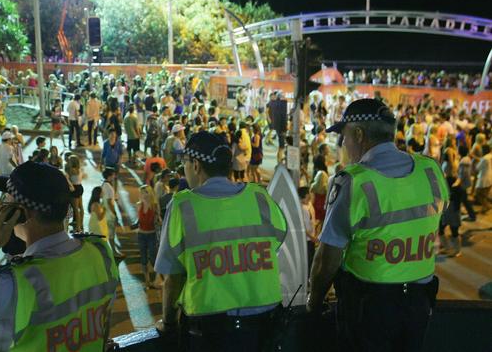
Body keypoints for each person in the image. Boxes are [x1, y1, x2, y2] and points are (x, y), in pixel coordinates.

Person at [0, 161, 119, 351]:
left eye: (6, 198)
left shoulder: (14, 284)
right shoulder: (101, 252)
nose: (1, 204)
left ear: (20, 212)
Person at [307, 99, 448, 352]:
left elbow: (327, 259)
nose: (343, 144)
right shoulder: (431, 170)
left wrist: (314, 304)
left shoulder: (353, 182)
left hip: (368, 311)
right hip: (419, 306)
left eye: (344, 136)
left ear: (359, 134)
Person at [155, 131, 288, 351]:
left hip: (210, 330)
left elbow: (173, 278)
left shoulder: (182, 205)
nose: (184, 169)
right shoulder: (259, 197)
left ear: (196, 165)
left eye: (185, 162)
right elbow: (277, 241)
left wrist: (169, 323)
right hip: (266, 325)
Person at [137, 185, 162, 288]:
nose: (144, 195)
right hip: (141, 234)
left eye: (146, 192)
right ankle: (147, 281)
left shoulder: (155, 205)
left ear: (150, 193)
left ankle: (158, 279)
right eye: (142, 193)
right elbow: (139, 220)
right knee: (143, 258)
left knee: (153, 258)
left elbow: (158, 220)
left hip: (151, 234)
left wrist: (158, 219)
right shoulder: (139, 205)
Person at [102, 167, 125, 258]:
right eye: (113, 174)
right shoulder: (108, 186)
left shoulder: (104, 185)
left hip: (106, 211)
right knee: (111, 234)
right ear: (109, 176)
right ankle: (114, 252)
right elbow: (109, 202)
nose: (114, 176)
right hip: (109, 213)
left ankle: (112, 250)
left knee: (109, 233)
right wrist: (114, 213)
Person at [66, 154, 85, 232]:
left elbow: (68, 178)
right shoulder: (80, 169)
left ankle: (78, 227)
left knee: (75, 209)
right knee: (81, 207)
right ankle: (81, 224)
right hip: (80, 187)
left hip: (74, 189)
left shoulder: (72, 170)